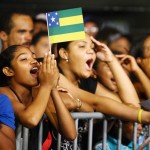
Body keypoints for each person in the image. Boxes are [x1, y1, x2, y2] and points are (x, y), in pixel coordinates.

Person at [0, 45, 76, 149]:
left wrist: (53, 88)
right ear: (8, 71)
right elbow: (31, 119)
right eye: (24, 59)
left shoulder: (39, 93)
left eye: (33, 57)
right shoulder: (3, 93)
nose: (34, 61)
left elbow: (70, 134)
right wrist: (46, 86)